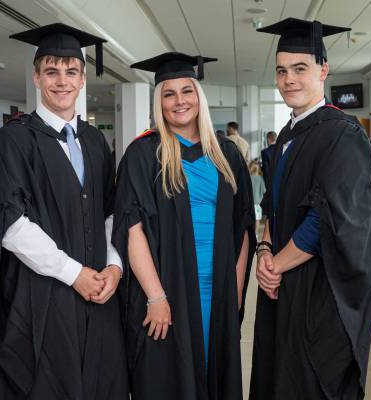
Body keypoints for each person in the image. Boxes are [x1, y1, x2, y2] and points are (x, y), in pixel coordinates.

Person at [0, 23, 128, 399]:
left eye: (71, 71)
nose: (62, 81)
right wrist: (73, 273)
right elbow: (9, 224)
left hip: (99, 291)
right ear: (37, 76)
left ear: (82, 80)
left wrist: (113, 265)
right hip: (43, 295)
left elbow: (112, 211)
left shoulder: (95, 141)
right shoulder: (12, 140)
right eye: (52, 71)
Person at [112, 52, 256, 400]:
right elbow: (133, 230)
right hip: (169, 289)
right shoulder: (144, 153)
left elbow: (244, 228)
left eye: (187, 91)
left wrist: (234, 294)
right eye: (169, 93)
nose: (180, 101)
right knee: (168, 380)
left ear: (199, 96)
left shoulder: (227, 154)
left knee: (215, 379)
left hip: (217, 290)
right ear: (158, 101)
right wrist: (155, 296)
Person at [250, 18, 371, 400]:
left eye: (300, 69)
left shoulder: (344, 133)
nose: (289, 79)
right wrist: (265, 251)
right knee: (277, 378)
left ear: (323, 70)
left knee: (310, 383)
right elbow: (270, 206)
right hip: (283, 283)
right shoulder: (287, 135)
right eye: (282, 70)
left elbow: (326, 217)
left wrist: (274, 267)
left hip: (323, 291)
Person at [249, 161, 265, 232]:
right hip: (258, 203)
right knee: (257, 219)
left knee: (250, 219)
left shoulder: (249, 178)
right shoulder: (260, 179)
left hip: (250, 203)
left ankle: (251, 233)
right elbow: (264, 190)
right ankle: (256, 234)